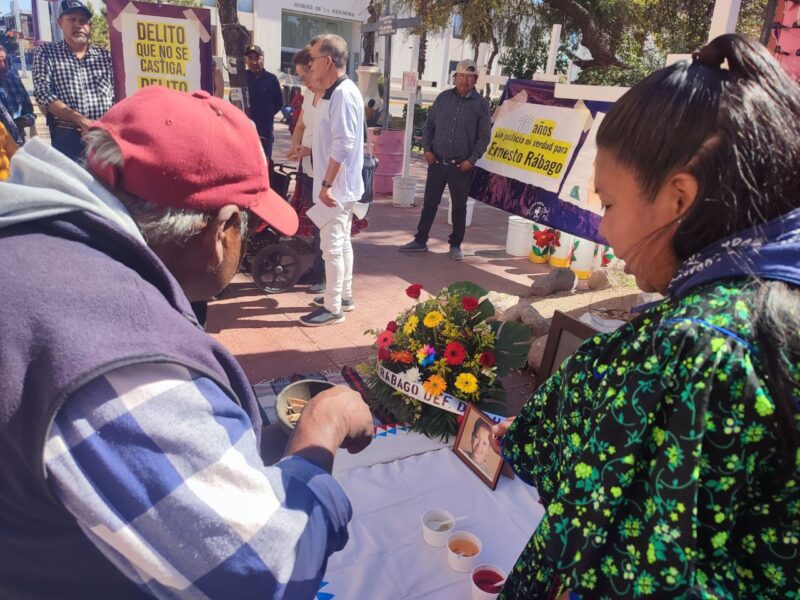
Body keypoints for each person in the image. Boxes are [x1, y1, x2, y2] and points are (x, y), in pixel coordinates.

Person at [0, 86, 375, 597]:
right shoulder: (111, 345)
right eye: (246, 223)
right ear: (221, 230)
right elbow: (268, 569)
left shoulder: (32, 248)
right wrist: (321, 429)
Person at [491, 34, 800, 599]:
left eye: (608, 203)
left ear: (680, 198)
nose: (604, 229)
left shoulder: (698, 347)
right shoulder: (773, 303)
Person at [300, 34, 364, 327]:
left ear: (327, 61)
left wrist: (326, 186)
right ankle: (343, 296)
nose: (310, 67)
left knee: (332, 247)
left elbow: (343, 144)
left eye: (313, 60)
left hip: (336, 188)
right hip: (340, 186)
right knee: (341, 244)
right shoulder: (337, 91)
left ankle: (333, 306)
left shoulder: (342, 93)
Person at [399, 59, 491, 260]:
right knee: (430, 203)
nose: (464, 80)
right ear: (455, 78)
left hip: (461, 166)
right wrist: (427, 150)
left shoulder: (481, 104)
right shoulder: (442, 98)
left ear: (475, 79)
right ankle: (420, 240)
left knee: (459, 207)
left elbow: (484, 136)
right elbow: (429, 126)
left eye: (469, 77)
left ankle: (455, 245)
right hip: (438, 163)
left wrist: (471, 160)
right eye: (461, 76)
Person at [32, 0, 113, 162]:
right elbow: (43, 94)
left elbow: (117, 95)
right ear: (60, 22)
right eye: (72, 19)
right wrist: (82, 121)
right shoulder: (46, 53)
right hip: (67, 136)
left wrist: (102, 127)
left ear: (89, 26)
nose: (79, 24)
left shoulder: (105, 57)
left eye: (83, 21)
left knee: (106, 185)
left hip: (103, 135)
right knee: (70, 185)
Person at [288, 46, 326, 293]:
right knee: (316, 223)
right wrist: (295, 146)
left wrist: (310, 151)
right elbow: (301, 125)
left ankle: (326, 276)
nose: (304, 81)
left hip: (328, 175)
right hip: (311, 169)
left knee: (328, 227)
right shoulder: (309, 95)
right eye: (300, 77)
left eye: (305, 75)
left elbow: (337, 143)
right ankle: (317, 268)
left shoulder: (331, 97)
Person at [244, 44, 283, 161]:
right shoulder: (241, 78)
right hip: (245, 130)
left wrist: (267, 114)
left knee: (265, 163)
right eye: (250, 58)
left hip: (265, 132)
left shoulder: (271, 79)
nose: (254, 62)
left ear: (263, 59)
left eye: (257, 58)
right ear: (246, 61)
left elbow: (279, 102)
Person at [0, 46, 35, 146]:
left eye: (5, 61)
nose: (2, 65)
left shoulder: (14, 79)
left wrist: (28, 119)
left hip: (17, 142)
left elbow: (28, 109)